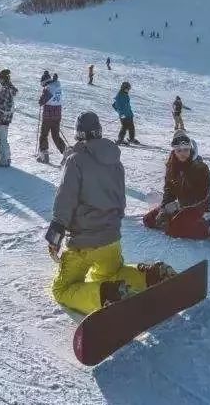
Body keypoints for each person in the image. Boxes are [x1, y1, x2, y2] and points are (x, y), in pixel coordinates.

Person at [46, 112, 177, 315]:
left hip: (84, 243)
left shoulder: (75, 160)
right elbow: (120, 202)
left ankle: (108, 296)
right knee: (111, 273)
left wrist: (55, 237)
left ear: (78, 134)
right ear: (98, 132)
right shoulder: (115, 162)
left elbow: (65, 201)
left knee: (62, 289)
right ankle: (152, 276)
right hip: (111, 240)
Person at [142, 131, 210, 239]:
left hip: (198, 206)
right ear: (174, 151)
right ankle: (176, 219)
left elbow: (202, 195)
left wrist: (179, 205)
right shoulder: (172, 165)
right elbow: (169, 188)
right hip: (180, 205)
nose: (182, 153)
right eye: (179, 150)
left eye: (186, 150)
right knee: (148, 220)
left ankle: (209, 226)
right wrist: (165, 207)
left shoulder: (200, 167)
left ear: (190, 149)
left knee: (174, 230)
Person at [37, 71, 66, 164]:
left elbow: (42, 101)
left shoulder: (48, 88)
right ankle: (67, 154)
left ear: (45, 82)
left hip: (48, 116)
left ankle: (44, 155)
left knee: (44, 135)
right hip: (57, 115)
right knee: (55, 136)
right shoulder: (57, 85)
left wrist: (41, 98)